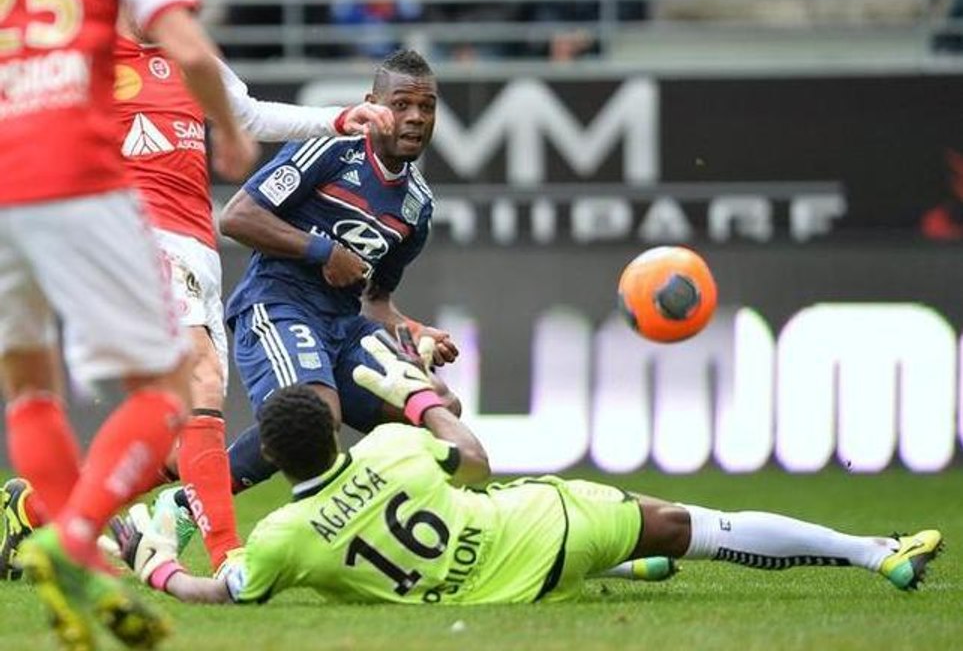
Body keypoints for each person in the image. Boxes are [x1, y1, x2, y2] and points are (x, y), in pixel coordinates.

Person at [111, 331, 943, 606]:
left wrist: (155, 564)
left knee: (595, 546)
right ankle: (875, 550)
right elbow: (473, 459)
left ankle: (627, 562)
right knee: (701, 529)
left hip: (506, 590)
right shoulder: (394, 449)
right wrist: (414, 394)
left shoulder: (288, 537)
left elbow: (215, 595)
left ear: (275, 460)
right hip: (548, 524)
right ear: (333, 437)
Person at [90, 0, 396, 577]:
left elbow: (251, 114)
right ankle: (229, 555)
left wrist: (341, 119)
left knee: (181, 433)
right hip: (139, 240)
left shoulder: (190, 57)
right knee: (201, 378)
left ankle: (43, 515)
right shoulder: (91, 56)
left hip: (197, 248)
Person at [0, 0, 256, 648]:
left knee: (29, 388)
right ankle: (77, 536)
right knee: (173, 388)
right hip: (76, 174)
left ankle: (77, 563)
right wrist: (231, 134)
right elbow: (194, 50)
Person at [218, 48, 460, 498]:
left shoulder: (418, 205)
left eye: (426, 107)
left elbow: (376, 301)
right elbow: (236, 218)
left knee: (438, 410)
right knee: (315, 415)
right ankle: (187, 503)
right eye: (400, 104)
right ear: (373, 103)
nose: (415, 117)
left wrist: (412, 327)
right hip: (278, 302)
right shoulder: (331, 147)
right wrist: (324, 251)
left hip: (344, 327)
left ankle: (391, 528)